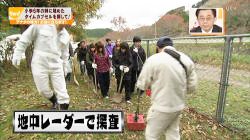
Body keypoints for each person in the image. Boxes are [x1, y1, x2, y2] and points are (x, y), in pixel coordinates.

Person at [136, 37, 197, 140]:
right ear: (172, 46)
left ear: (157, 47)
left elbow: (142, 84)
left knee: (152, 135)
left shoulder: (154, 59)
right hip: (178, 106)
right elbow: (192, 87)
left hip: (161, 106)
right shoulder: (186, 59)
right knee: (173, 133)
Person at [12, 25, 71, 110]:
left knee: (63, 93)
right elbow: (25, 38)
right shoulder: (40, 24)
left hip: (56, 64)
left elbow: (65, 52)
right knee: (43, 90)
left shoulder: (65, 34)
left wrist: (66, 66)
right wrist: (17, 53)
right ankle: (55, 101)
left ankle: (63, 116)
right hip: (39, 63)